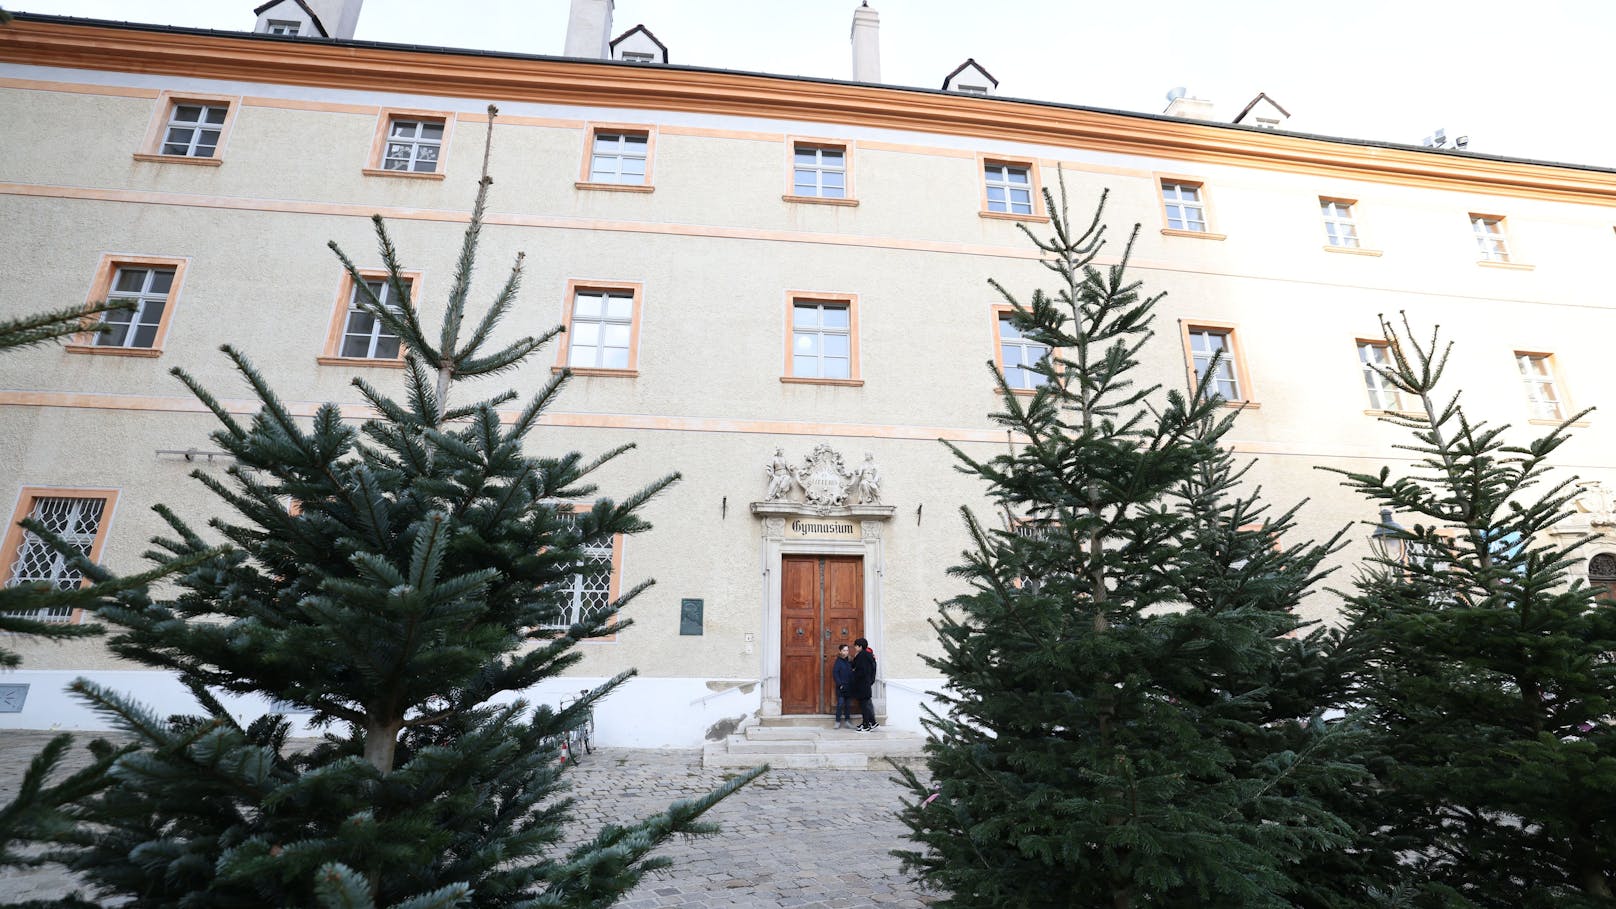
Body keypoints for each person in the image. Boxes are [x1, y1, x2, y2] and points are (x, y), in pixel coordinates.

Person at [850, 637, 878, 731]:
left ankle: (866, 725)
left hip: (863, 684)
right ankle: (868, 723)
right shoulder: (866, 655)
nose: (855, 648)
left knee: (864, 706)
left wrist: (854, 673)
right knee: (865, 704)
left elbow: (862, 671)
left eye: (856, 646)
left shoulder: (863, 656)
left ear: (860, 646)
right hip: (865, 684)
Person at [831, 643, 854, 729]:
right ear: (840, 651)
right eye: (844, 650)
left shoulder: (850, 661)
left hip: (849, 687)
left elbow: (853, 671)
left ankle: (847, 721)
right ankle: (837, 721)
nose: (846, 652)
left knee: (848, 705)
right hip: (841, 687)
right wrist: (840, 684)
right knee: (840, 704)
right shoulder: (838, 661)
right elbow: (835, 673)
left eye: (847, 650)